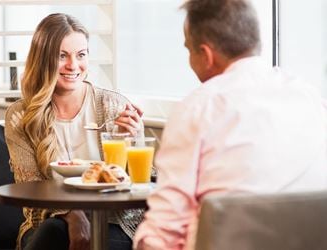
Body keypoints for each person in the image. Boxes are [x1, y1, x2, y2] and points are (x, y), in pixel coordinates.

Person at [133, 0, 327, 249]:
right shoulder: (311, 99)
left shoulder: (198, 109)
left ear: (206, 55)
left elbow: (166, 228)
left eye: (189, 51)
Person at [4, 13, 144, 250]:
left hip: (114, 222)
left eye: (81, 55)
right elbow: (31, 188)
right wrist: (72, 214)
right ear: (43, 59)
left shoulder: (114, 106)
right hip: (49, 221)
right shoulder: (21, 115)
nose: (73, 65)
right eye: (62, 55)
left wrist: (133, 140)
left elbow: (137, 185)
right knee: (52, 232)